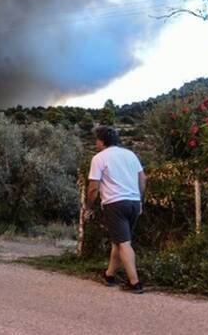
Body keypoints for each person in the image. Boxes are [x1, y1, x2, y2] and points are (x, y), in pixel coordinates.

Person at [86, 126, 147, 294]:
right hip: (134, 202)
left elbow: (93, 188)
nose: (95, 142)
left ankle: (135, 283)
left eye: (96, 139)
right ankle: (109, 275)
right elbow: (142, 179)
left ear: (101, 141)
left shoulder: (99, 158)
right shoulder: (130, 155)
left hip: (115, 204)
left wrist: (89, 206)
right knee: (119, 241)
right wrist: (139, 200)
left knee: (124, 243)